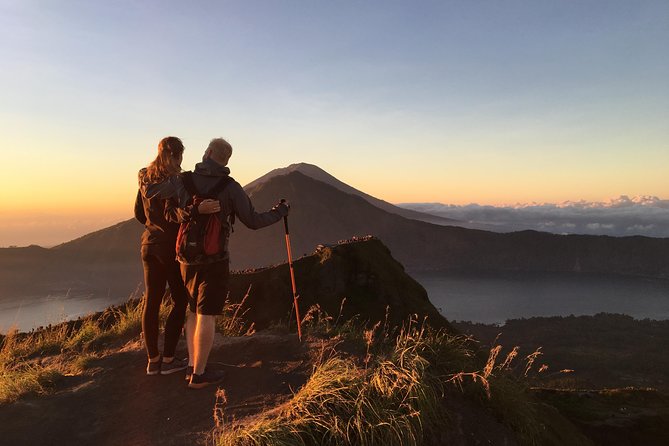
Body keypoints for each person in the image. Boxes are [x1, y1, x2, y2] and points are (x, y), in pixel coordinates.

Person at [168, 137, 289, 389]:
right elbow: (253, 221)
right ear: (225, 160)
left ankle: (192, 365)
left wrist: (192, 210)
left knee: (192, 311)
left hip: (185, 259)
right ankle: (199, 375)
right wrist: (280, 212)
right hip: (215, 260)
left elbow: (169, 213)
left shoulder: (183, 181)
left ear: (208, 153)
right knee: (207, 314)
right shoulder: (230, 187)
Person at [134, 136, 219, 375]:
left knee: (152, 301)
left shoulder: (144, 175)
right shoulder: (178, 180)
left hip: (149, 245)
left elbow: (138, 212)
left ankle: (153, 360)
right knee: (180, 301)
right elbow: (182, 213)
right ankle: (170, 359)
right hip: (171, 248)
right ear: (177, 155)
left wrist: (153, 226)